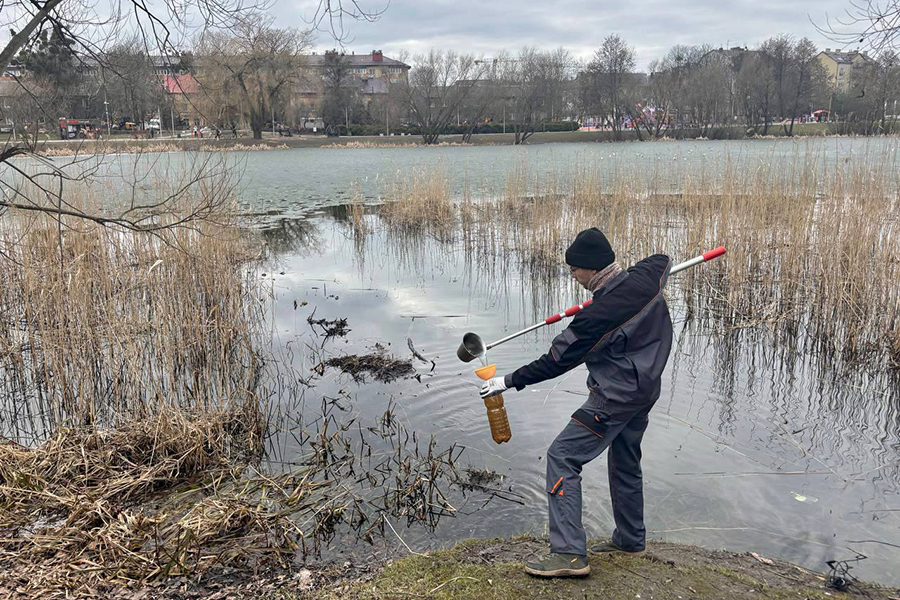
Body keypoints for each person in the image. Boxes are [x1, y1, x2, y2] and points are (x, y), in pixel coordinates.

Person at [480, 227, 673, 578]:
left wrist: (506, 381)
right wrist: (607, 295)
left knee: (563, 456)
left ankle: (569, 554)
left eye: (574, 268)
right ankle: (631, 540)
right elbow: (662, 261)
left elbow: (556, 360)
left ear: (590, 268)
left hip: (613, 399)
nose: (571, 274)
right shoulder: (647, 278)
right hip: (644, 393)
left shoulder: (595, 320)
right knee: (625, 459)